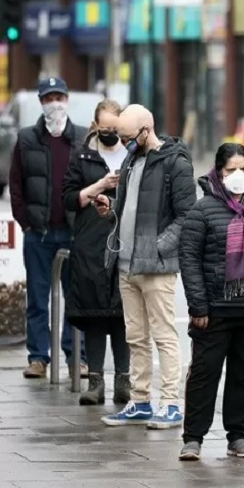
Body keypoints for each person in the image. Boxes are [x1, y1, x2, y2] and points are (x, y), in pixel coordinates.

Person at [177, 143, 244, 460]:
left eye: (243, 169)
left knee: (243, 375)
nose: (238, 175)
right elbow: (190, 260)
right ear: (218, 172)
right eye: (231, 170)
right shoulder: (202, 211)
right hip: (215, 310)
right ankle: (193, 438)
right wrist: (198, 307)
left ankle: (238, 437)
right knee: (204, 373)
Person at [94, 104, 197, 429]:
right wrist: (111, 207)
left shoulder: (175, 163)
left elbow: (187, 216)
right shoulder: (132, 158)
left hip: (156, 267)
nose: (122, 143)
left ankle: (170, 404)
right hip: (127, 264)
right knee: (136, 337)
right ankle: (140, 401)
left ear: (146, 130)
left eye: (127, 137)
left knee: (164, 336)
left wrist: (157, 247)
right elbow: (132, 207)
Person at [9, 77, 88, 379]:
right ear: (41, 103)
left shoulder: (81, 138)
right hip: (38, 234)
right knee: (38, 298)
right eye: (48, 98)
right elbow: (16, 185)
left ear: (67, 100)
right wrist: (26, 222)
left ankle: (75, 357)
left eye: (59, 97)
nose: (55, 103)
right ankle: (38, 357)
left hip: (71, 233)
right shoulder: (27, 138)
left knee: (74, 298)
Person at [62, 99, 130, 405]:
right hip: (90, 242)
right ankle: (95, 383)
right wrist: (100, 185)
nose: (110, 134)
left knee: (123, 316)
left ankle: (123, 382)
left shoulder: (133, 154)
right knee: (94, 315)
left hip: (124, 240)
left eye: (115, 129)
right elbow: (67, 198)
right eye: (104, 129)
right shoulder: (83, 155)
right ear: (95, 126)